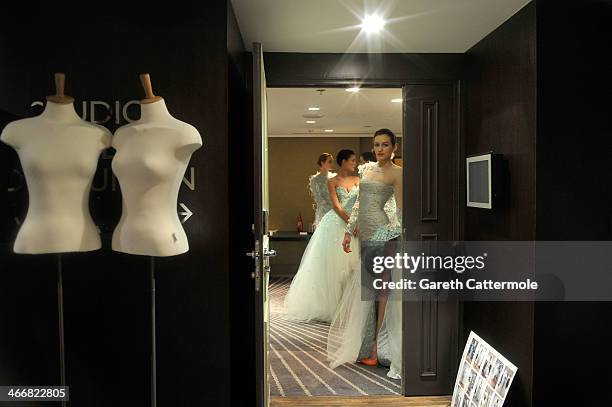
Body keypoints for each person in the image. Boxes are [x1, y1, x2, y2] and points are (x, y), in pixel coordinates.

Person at [328, 129, 403, 379]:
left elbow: (400, 215)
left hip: (384, 234)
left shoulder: (397, 173)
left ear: (394, 147)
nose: (380, 149)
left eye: (385, 145)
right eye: (376, 145)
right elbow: (360, 202)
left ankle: (378, 348)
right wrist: (349, 231)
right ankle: (366, 345)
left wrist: (382, 238)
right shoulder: (367, 169)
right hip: (365, 235)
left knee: (382, 291)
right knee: (368, 289)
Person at [284, 150, 361, 322]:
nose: (355, 163)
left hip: (354, 222)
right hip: (335, 223)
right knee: (333, 267)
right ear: (344, 162)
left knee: (352, 268)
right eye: (352, 160)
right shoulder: (332, 181)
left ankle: (349, 308)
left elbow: (359, 204)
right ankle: (332, 307)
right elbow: (336, 206)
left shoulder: (358, 180)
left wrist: (356, 222)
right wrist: (351, 224)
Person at [309, 153, 336, 228]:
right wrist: (332, 210)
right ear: (322, 163)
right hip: (324, 213)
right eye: (329, 161)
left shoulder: (334, 177)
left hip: (337, 211)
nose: (332, 164)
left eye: (332, 161)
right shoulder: (315, 180)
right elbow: (319, 199)